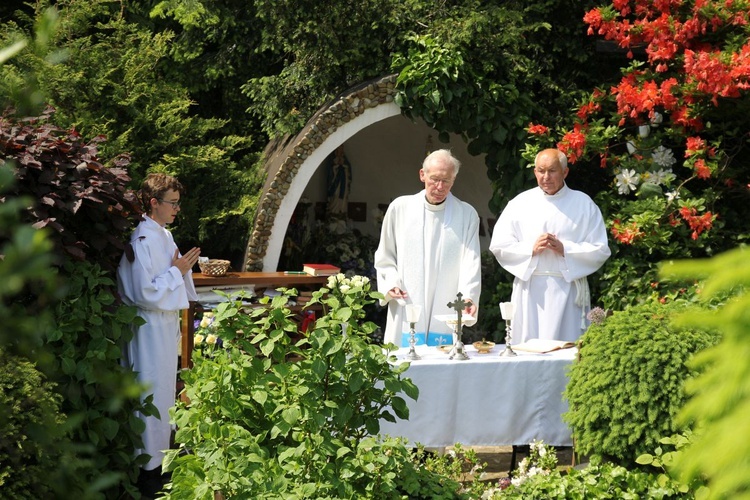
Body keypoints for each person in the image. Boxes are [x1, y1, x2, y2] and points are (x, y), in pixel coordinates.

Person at [117, 173, 201, 497]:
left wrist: (189, 294)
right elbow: (143, 291)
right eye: (172, 203)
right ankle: (147, 472)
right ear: (154, 203)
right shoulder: (143, 239)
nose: (177, 209)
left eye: (178, 203)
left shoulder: (164, 235)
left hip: (164, 326)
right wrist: (177, 272)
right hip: (148, 327)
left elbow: (178, 273)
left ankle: (160, 464)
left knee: (165, 393)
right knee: (149, 393)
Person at [489, 148, 611, 344]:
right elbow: (499, 245)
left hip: (568, 290)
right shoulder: (520, 203)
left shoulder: (583, 204)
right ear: (535, 172)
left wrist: (566, 250)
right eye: (540, 170)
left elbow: (600, 248)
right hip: (530, 291)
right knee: (527, 347)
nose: (546, 177)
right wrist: (530, 249)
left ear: (565, 172)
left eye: (552, 171)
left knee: (566, 349)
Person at [374, 149, 481, 347]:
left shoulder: (466, 215)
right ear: (422, 175)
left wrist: (468, 296)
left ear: (454, 180)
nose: (439, 187)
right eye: (434, 179)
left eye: (446, 181)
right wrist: (391, 283)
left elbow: (471, 262)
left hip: (447, 306)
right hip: (407, 301)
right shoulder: (400, 208)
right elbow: (385, 256)